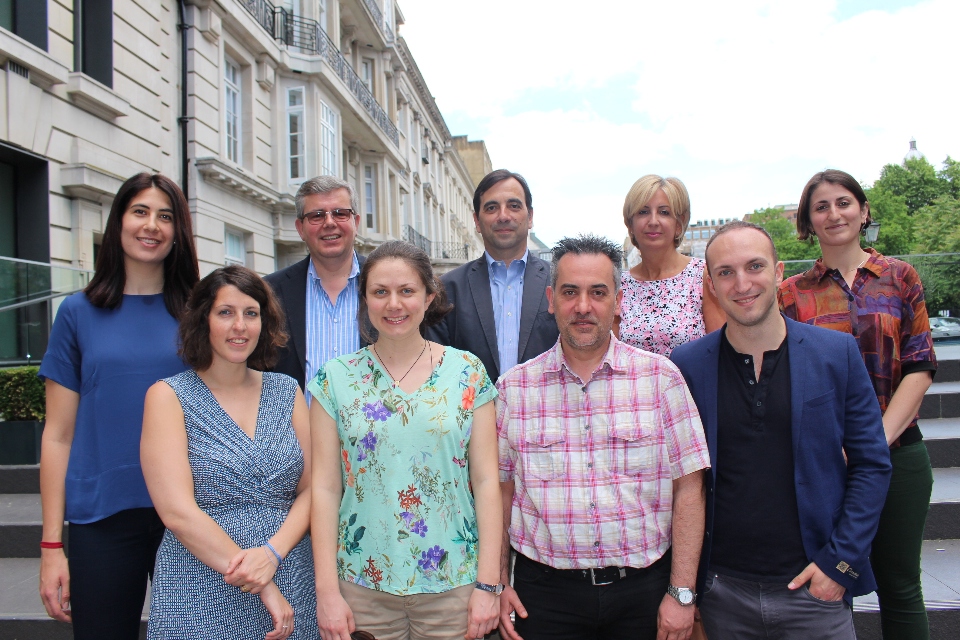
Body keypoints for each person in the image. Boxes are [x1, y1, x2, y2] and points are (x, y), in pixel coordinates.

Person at [671, 221, 892, 639]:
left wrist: (840, 564)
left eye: (754, 266)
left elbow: (872, 466)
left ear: (778, 272)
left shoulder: (836, 354)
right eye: (725, 272)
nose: (742, 284)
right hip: (722, 596)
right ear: (712, 286)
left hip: (816, 591)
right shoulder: (687, 366)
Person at [497, 234, 709, 640]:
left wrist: (682, 592)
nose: (582, 307)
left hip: (644, 593)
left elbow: (690, 489)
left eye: (598, 292)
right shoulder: (513, 389)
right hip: (543, 597)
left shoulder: (662, 379)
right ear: (550, 298)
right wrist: (497, 583)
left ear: (618, 299)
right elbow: (501, 494)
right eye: (570, 292)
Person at [309, 240, 502, 640]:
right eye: (380, 292)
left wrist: (488, 585)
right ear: (364, 299)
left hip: (454, 584)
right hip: (362, 586)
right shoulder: (335, 379)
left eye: (407, 291)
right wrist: (327, 591)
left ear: (429, 297)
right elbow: (325, 489)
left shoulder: (467, 372)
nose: (393, 304)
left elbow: (486, 483)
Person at [37, 172, 199, 638]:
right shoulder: (77, 313)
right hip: (101, 517)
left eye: (165, 216)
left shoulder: (201, 311)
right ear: (118, 222)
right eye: (140, 212)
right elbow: (58, 434)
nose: (152, 225)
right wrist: (51, 545)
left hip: (192, 514)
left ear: (178, 231)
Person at [778, 170, 937, 640]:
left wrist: (871, 445)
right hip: (825, 464)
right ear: (808, 221)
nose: (834, 213)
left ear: (864, 211)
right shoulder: (791, 293)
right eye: (821, 206)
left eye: (843, 202)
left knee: (901, 587)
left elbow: (920, 366)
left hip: (899, 453)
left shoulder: (899, 276)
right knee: (828, 589)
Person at [141, 265, 317, 639]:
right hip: (200, 582)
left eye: (250, 313)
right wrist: (261, 582)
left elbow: (312, 488)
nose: (240, 326)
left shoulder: (287, 391)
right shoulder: (168, 396)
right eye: (226, 312)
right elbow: (177, 512)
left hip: (290, 572)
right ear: (203, 320)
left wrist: (272, 554)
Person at [427, 169, 558, 381]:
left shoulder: (561, 283)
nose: (503, 216)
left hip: (545, 412)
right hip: (473, 412)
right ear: (477, 221)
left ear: (530, 217)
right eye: (491, 208)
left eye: (514, 206)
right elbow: (436, 370)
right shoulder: (448, 289)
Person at [265, 176, 367, 397]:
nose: (329, 222)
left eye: (340, 213)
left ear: (356, 223)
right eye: (317, 215)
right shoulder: (270, 293)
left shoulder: (386, 285)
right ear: (300, 228)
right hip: (296, 431)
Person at [617, 175, 724, 357]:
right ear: (630, 224)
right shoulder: (618, 284)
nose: (653, 221)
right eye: (643, 212)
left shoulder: (703, 275)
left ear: (679, 224)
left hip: (691, 385)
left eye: (664, 212)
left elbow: (719, 350)